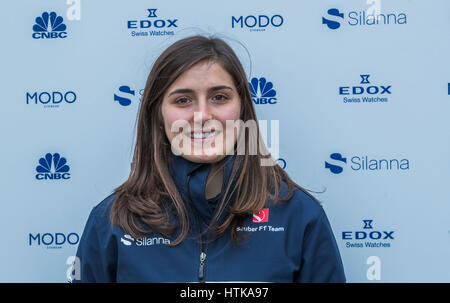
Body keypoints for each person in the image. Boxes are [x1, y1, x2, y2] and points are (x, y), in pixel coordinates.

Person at [74, 35, 346, 283]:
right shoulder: (112, 223)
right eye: (182, 100)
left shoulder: (298, 217)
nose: (202, 116)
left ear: (242, 110)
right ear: (157, 115)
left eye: (219, 97)